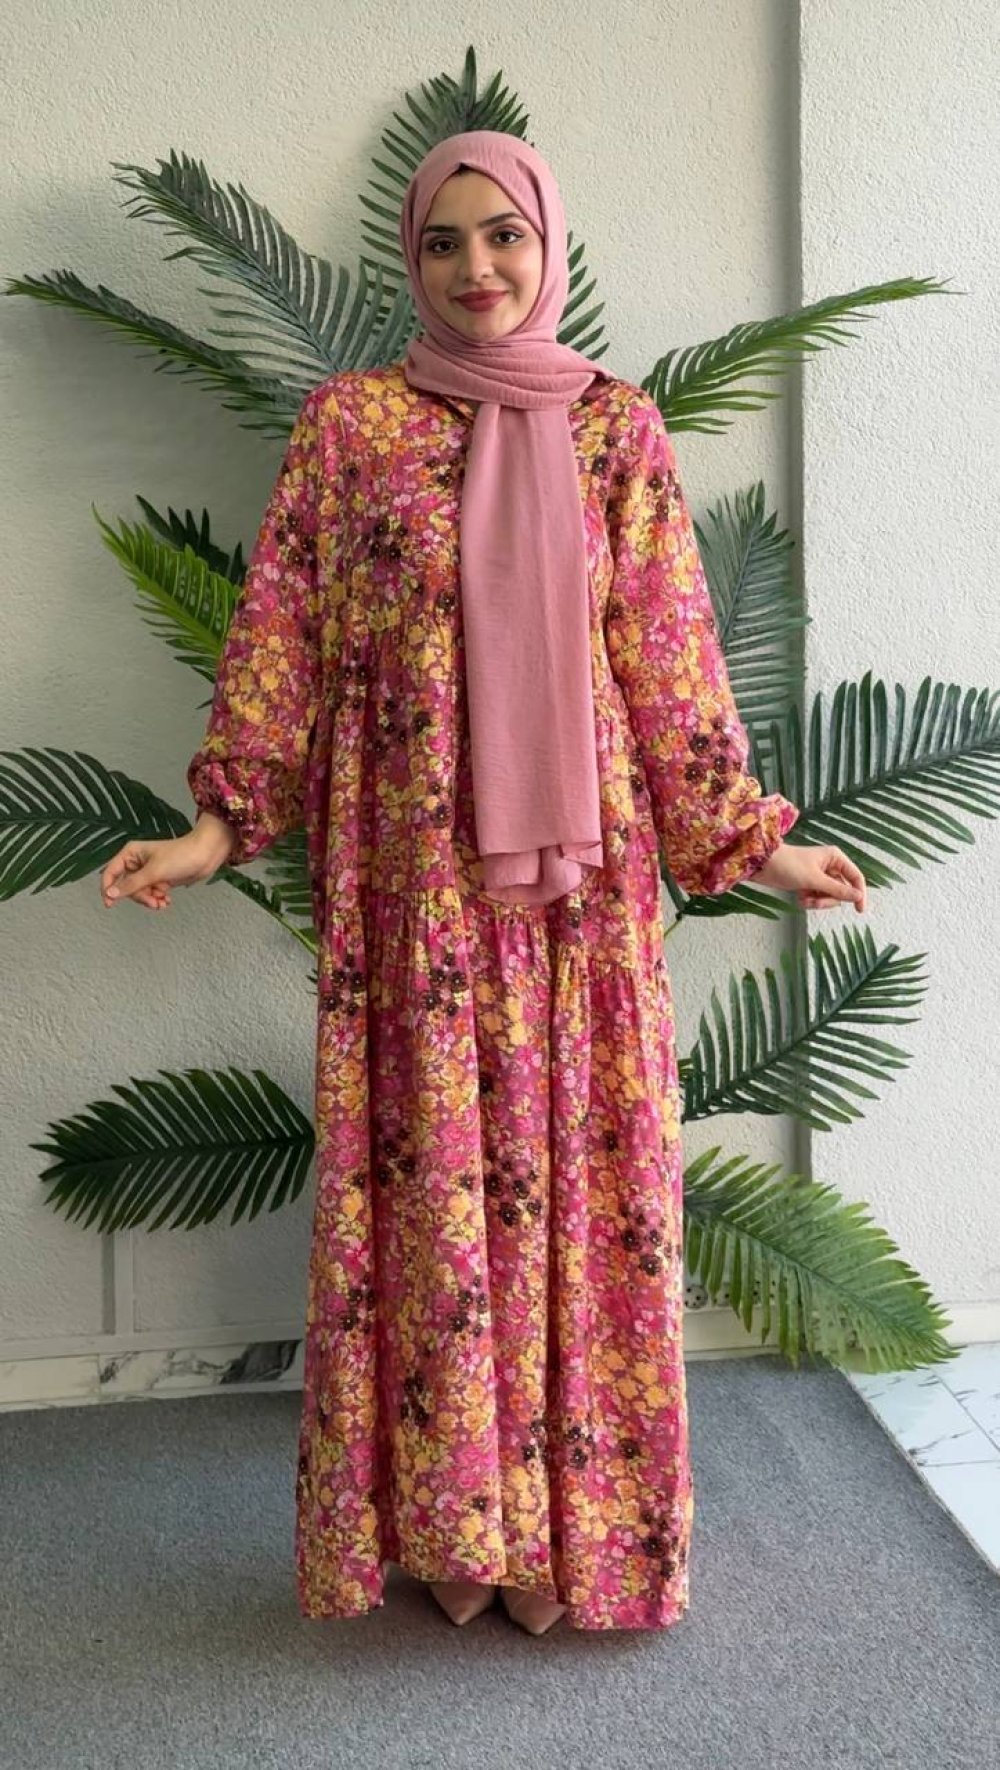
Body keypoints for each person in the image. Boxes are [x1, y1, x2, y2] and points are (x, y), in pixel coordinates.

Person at [99, 130, 867, 1637]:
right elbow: (282, 641)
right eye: (444, 242)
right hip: (410, 892)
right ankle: (455, 1528)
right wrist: (216, 826)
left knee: (579, 1183)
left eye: (504, 235)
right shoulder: (350, 429)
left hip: (581, 899)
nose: (477, 269)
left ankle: (563, 1538)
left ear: (548, 245)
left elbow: (668, 656)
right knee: (432, 1189)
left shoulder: (617, 430)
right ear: (413, 258)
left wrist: (750, 835)